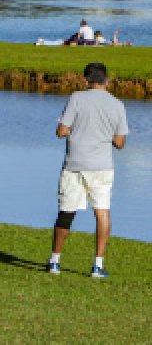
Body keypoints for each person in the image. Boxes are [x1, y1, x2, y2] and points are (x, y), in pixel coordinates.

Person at [48, 62, 128, 278]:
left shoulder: (76, 98)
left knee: (66, 213)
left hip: (75, 164)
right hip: (102, 167)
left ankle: (55, 261)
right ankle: (98, 266)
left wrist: (76, 129)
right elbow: (120, 143)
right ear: (106, 81)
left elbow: (61, 131)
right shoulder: (118, 105)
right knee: (102, 212)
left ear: (86, 81)